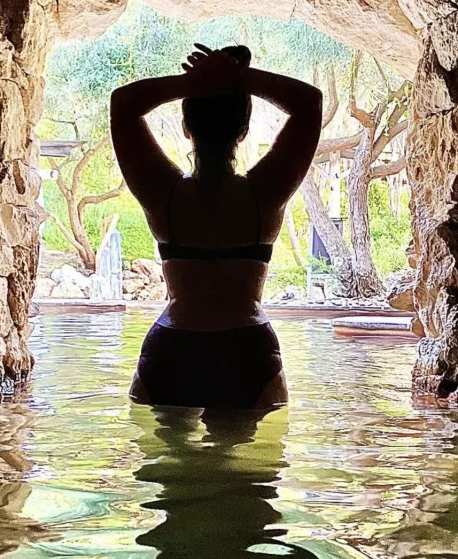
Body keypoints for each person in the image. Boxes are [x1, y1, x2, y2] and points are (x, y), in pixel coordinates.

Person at [109, 43, 322, 409]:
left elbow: (124, 104)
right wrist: (238, 77)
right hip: (247, 351)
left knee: (165, 464)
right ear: (243, 131)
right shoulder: (264, 195)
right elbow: (308, 103)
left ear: (186, 128)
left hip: (172, 349)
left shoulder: (164, 194)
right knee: (243, 466)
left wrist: (192, 82)